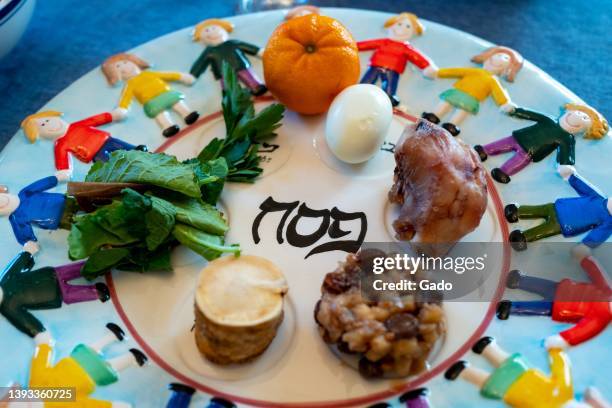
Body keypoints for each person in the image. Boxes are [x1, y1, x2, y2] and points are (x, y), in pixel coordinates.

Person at [445, 336, 609, 407]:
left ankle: (465, 371)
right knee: (505, 361)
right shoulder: (563, 392)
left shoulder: (563, 393)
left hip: (513, 393)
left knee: (491, 384)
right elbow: (562, 370)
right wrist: (556, 352)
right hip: (524, 375)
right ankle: (487, 348)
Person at [497, 246, 611, 348]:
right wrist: (585, 258)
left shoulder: (601, 318)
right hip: (564, 289)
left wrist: (563, 340)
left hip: (560, 307)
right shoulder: (607, 291)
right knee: (543, 286)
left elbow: (584, 331)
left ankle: (511, 307)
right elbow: (596, 272)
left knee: (537, 308)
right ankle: (520, 281)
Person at [474, 104, 608, 183]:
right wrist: (515, 111)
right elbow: (532, 115)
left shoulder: (567, 138)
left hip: (531, 152)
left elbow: (566, 151)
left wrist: (565, 165)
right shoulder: (549, 120)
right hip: (521, 137)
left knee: (518, 161)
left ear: (584, 130)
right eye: (578, 112)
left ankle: (504, 172)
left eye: (585, 118)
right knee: (502, 144)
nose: (579, 116)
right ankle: (484, 150)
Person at [28, 323, 147, 407]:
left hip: (78, 368)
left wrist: (44, 344)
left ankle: (121, 346)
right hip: (83, 375)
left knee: (100, 361)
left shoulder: (39, 389)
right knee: (105, 365)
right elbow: (85, 405)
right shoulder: (47, 396)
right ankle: (130, 356)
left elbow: (40, 363)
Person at [0, 250, 110, 338]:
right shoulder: (8, 308)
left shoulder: (5, 279)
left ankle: (95, 265)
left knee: (74, 269)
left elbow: (17, 265)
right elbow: (23, 321)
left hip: (50, 275)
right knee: (73, 295)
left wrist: (28, 252)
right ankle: (96, 293)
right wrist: (38, 332)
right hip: (53, 295)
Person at [422, 46, 522, 136]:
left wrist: (504, 103)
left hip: (471, 99)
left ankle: (451, 126)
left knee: (462, 112)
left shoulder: (493, 80)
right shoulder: (475, 71)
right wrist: (438, 72)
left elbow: (498, 92)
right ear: (488, 57)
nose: (501, 58)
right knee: (445, 104)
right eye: (499, 55)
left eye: (506, 58)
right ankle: (433, 116)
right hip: (457, 92)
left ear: (507, 69)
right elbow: (456, 71)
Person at [505, 166, 611, 251]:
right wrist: (570, 175)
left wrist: (585, 246)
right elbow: (584, 186)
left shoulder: (608, 222)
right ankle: (518, 212)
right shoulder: (599, 198)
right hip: (558, 206)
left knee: (544, 230)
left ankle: (524, 237)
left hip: (563, 225)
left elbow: (599, 235)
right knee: (539, 209)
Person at [20, 110, 147, 176]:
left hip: (107, 141)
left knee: (121, 146)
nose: (49, 124)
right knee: (109, 163)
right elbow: (61, 157)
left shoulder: (77, 125)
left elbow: (94, 120)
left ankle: (135, 150)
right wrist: (63, 171)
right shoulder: (61, 143)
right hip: (95, 154)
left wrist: (111, 116)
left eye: (48, 120)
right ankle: (119, 171)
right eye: (43, 125)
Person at [102, 53, 199, 138]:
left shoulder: (149, 73)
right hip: (152, 101)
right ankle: (168, 126)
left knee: (177, 103)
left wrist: (182, 77)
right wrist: (122, 109)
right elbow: (126, 98)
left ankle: (187, 114)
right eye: (118, 66)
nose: (124, 67)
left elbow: (168, 75)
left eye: (125, 62)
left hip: (166, 93)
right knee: (159, 113)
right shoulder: (129, 85)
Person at [357, 12, 437, 107]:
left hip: (393, 70)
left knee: (390, 87)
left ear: (414, 31)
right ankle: (360, 92)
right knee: (367, 82)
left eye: (408, 27)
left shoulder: (406, 48)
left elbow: (416, 56)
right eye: (399, 24)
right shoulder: (383, 42)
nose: (402, 29)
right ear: (391, 25)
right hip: (376, 66)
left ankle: (389, 98)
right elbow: (367, 44)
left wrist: (426, 66)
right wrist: (352, 46)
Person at [190, 19, 266, 96]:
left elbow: (249, 48)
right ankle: (230, 96)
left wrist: (261, 52)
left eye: (214, 28)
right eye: (207, 30)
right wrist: (193, 75)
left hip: (240, 65)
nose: (212, 32)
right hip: (223, 72)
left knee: (249, 77)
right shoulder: (209, 51)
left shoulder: (232, 43)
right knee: (227, 85)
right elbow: (200, 63)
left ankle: (256, 87)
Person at [0, 174, 74, 252]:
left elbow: (42, 184)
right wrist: (29, 243)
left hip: (64, 202)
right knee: (77, 225)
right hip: (60, 220)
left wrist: (56, 178)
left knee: (81, 204)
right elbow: (22, 233)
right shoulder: (17, 218)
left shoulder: (25, 193)